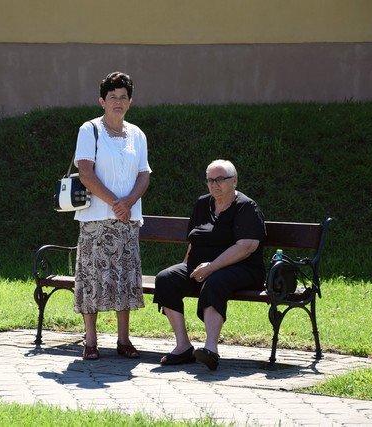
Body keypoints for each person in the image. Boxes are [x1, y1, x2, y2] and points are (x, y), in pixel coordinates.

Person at [153, 159, 266, 370]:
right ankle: (183, 346)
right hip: (204, 267)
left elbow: (247, 247)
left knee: (215, 281)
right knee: (167, 278)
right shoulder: (202, 204)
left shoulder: (246, 207)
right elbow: (194, 239)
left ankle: (211, 349)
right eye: (210, 180)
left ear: (234, 180)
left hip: (242, 269)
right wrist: (187, 266)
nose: (214, 185)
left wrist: (211, 267)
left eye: (220, 179)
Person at [73, 72, 152, 360]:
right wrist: (115, 203)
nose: (118, 102)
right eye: (112, 97)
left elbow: (144, 174)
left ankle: (123, 339)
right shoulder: (89, 130)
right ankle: (91, 340)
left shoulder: (138, 135)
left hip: (127, 221)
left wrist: (128, 202)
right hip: (95, 220)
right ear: (102, 101)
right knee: (92, 278)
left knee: (125, 279)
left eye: (123, 97)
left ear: (130, 101)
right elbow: (85, 173)